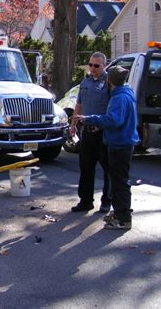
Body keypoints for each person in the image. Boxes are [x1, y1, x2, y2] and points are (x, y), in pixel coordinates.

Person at [74, 66, 140, 230]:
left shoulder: (119, 98)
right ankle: (119, 213)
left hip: (120, 144)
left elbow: (114, 120)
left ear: (110, 80)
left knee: (120, 183)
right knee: (120, 181)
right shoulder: (126, 93)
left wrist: (90, 119)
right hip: (123, 142)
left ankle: (123, 218)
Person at [70, 52, 111, 213]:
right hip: (86, 132)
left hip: (103, 133)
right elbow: (79, 105)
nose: (92, 68)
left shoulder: (110, 83)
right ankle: (85, 201)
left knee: (108, 169)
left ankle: (107, 201)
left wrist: (102, 125)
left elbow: (112, 108)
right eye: (91, 65)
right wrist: (73, 125)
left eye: (97, 65)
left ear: (104, 65)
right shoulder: (85, 82)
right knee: (86, 168)